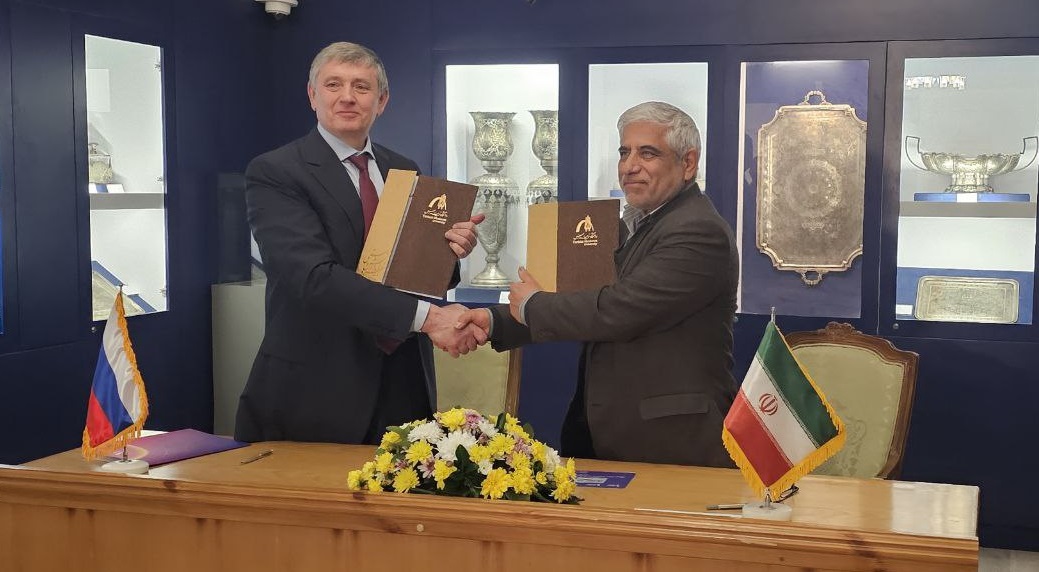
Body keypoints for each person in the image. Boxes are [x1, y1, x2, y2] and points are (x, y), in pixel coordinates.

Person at [458, 101, 739, 467]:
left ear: (688, 163)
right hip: (612, 435)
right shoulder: (637, 223)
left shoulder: (697, 230)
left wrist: (532, 305)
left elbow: (619, 310)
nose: (629, 166)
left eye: (647, 153)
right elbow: (577, 294)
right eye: (624, 152)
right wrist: (493, 321)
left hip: (670, 443)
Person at [235, 42, 484, 445]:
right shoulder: (276, 172)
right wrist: (429, 319)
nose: (347, 97)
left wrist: (452, 251)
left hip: (402, 379)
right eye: (333, 85)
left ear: (381, 101)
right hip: (316, 387)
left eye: (361, 87)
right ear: (312, 95)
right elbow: (312, 277)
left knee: (404, 485)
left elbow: (417, 271)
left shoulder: (403, 169)